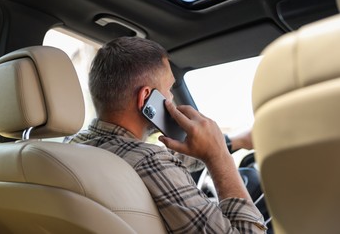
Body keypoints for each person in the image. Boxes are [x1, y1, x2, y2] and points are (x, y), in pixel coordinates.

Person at [69, 36, 266, 233]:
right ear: (146, 98)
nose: (172, 97)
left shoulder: (72, 147)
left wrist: (236, 141)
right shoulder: (148, 161)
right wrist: (219, 157)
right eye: (169, 88)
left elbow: (173, 161)